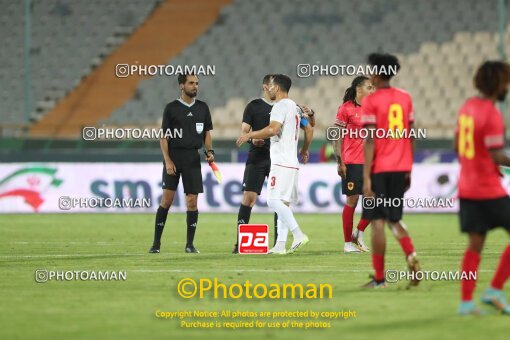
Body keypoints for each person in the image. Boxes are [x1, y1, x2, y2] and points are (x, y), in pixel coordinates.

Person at [233, 74, 315, 254]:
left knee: (272, 200)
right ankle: (280, 245)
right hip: (292, 162)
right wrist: (304, 149)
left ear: (276, 88)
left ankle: (298, 234)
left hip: (280, 162)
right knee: (284, 203)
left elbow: (273, 129)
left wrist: (249, 135)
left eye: (271, 86)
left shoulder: (279, 106)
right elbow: (309, 128)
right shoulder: (294, 106)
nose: (269, 89)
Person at [361, 53, 420, 288]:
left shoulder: (371, 101)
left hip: (380, 170)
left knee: (377, 222)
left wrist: (366, 177)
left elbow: (370, 140)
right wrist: (409, 168)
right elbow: (412, 134)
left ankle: (379, 278)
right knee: (395, 219)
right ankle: (411, 254)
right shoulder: (405, 98)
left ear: (376, 73)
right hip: (401, 167)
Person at [455, 61, 510, 315]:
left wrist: (479, 161)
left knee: (475, 245)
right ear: (498, 84)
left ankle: (466, 303)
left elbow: (458, 146)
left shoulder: (467, 107)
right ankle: (494, 289)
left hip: (467, 188)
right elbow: (497, 154)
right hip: (488, 190)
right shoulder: (491, 113)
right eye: (506, 82)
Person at [149, 73, 214, 254]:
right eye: (191, 83)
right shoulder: (171, 108)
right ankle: (156, 244)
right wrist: (168, 160)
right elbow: (164, 137)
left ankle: (190, 244)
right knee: (167, 200)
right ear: (181, 86)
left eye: (197, 83)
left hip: (193, 159)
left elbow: (207, 133)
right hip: (174, 158)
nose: (195, 86)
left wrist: (210, 152)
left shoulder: (203, 108)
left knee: (192, 202)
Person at [334, 76, 374, 253]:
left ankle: (358, 232)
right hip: (352, 162)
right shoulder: (346, 108)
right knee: (353, 199)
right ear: (359, 89)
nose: (372, 90)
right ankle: (347, 243)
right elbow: (337, 136)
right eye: (369, 87)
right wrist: (339, 161)